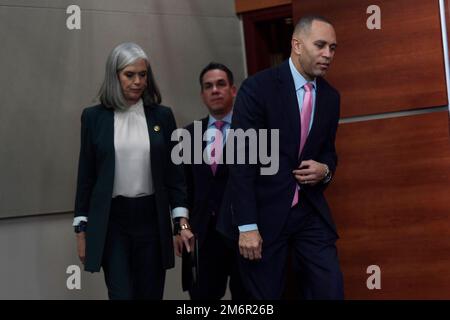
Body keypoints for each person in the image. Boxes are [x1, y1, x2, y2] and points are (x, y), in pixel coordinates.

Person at [221, 15, 344, 299]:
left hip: (308, 212)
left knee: (330, 288)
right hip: (262, 213)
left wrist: (324, 170)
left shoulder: (331, 97)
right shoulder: (257, 88)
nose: (328, 54)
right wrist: (247, 226)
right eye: (321, 45)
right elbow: (240, 160)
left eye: (333, 48)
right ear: (297, 45)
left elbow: (328, 152)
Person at [73, 42, 193, 300]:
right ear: (114, 75)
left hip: (151, 219)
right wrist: (81, 231)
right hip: (113, 222)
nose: (138, 81)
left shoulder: (162, 116)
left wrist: (181, 224)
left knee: (150, 293)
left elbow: (175, 176)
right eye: (130, 74)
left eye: (143, 74)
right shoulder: (94, 118)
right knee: (121, 294)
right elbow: (86, 177)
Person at [173, 63, 248, 300]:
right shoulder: (187, 135)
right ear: (202, 94)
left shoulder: (252, 130)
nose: (215, 90)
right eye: (208, 86)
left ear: (233, 90)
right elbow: (181, 189)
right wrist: (180, 228)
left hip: (243, 236)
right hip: (201, 237)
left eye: (221, 84)